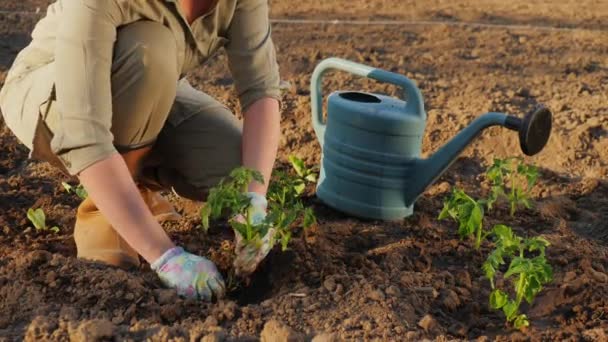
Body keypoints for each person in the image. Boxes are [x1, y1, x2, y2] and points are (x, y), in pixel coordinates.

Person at [0, 0, 282, 301]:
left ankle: (131, 183)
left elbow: (261, 91)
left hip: (147, 82)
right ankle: (105, 210)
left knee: (237, 168)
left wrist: (254, 198)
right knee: (152, 48)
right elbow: (84, 135)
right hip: (56, 90)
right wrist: (165, 255)